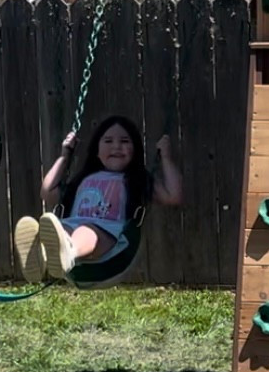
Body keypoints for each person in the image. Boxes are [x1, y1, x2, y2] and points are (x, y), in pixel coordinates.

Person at [12, 115, 183, 283]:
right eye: (108, 141)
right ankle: (42, 257)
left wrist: (166, 158)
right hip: (73, 226)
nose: (116, 146)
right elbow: (47, 192)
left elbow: (173, 196)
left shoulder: (136, 180)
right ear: (97, 151)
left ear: (135, 149)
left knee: (87, 230)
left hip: (112, 241)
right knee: (61, 227)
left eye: (124, 141)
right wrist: (65, 156)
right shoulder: (83, 178)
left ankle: (69, 251)